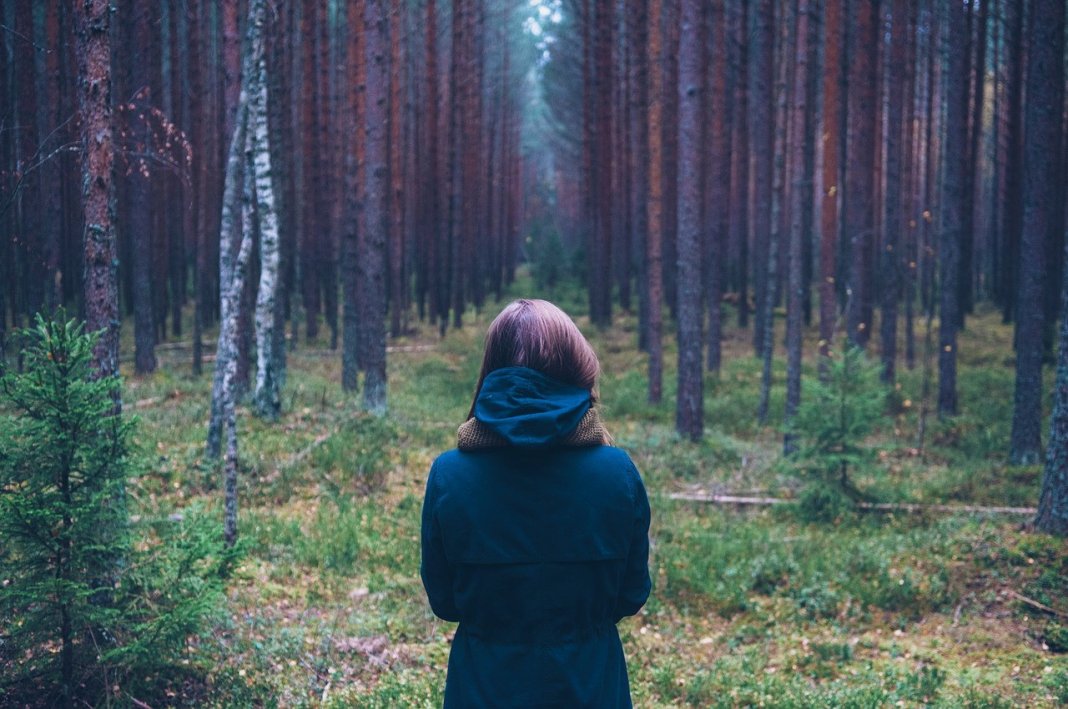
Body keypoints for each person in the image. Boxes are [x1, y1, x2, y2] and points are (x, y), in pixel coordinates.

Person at [420, 299, 652, 708]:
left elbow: (445, 603)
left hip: (483, 689)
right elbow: (631, 596)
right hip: (591, 687)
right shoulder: (618, 473)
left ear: (491, 369)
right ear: (575, 367)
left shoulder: (449, 475)